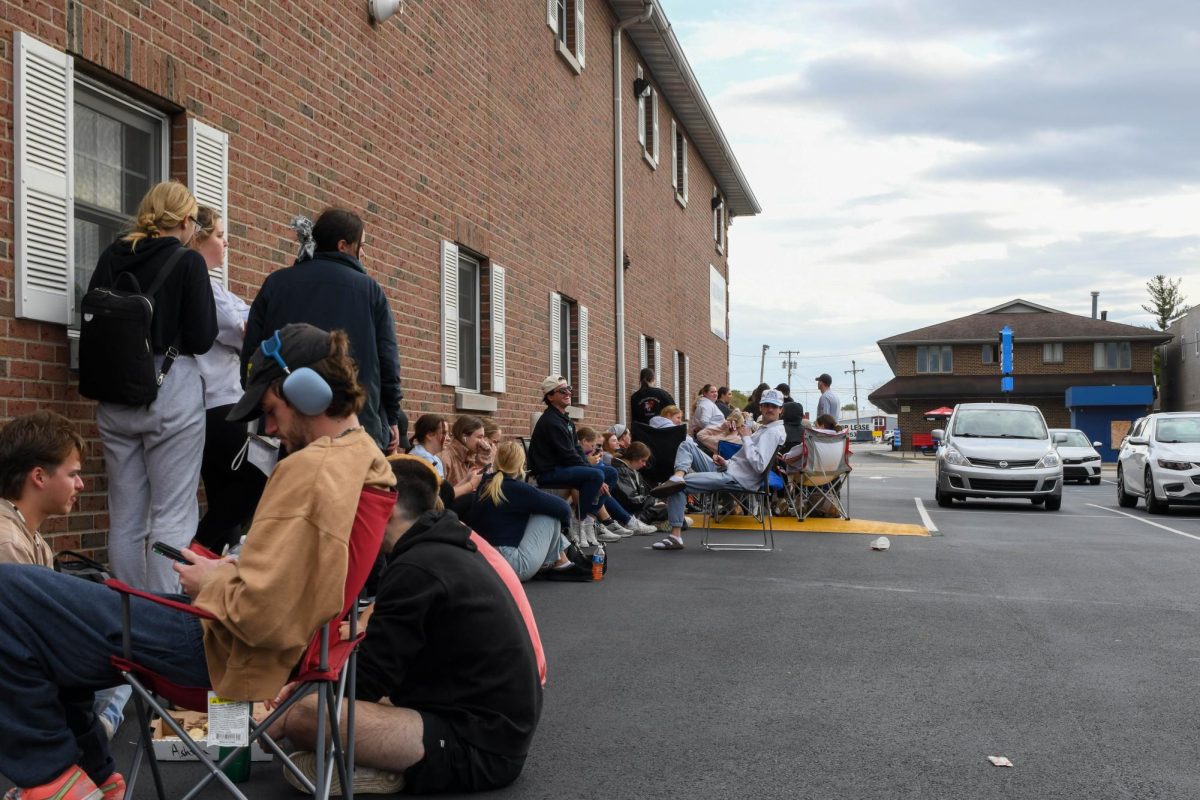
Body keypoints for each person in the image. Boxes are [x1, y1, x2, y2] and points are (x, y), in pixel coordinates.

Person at [0, 323, 395, 800]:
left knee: (9, 595)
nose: (269, 428)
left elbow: (263, 616)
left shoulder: (312, 470)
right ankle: (90, 777)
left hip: (216, 645)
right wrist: (223, 572)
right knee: (46, 630)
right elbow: (298, 588)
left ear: (305, 393)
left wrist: (210, 582)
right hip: (247, 644)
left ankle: (55, 780)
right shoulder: (364, 460)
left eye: (270, 411)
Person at [271, 455, 543, 795]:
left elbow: (368, 680)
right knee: (316, 706)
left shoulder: (417, 567)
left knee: (306, 716)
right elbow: (385, 665)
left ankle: (391, 770)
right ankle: (370, 760)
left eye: (361, 502)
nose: (353, 515)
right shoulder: (438, 549)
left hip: (478, 749)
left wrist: (287, 712)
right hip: (485, 728)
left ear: (392, 503)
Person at [86, 181, 217, 593]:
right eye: (195, 223)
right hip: (169, 388)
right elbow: (201, 337)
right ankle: (159, 616)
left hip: (114, 392)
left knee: (125, 515)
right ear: (183, 220)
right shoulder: (188, 262)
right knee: (172, 513)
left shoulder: (113, 252)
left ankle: (124, 617)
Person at [0, 411, 132, 744]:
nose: (81, 484)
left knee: (120, 672)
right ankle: (85, 739)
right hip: (18, 689)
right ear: (39, 477)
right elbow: (27, 646)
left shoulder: (29, 536)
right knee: (121, 669)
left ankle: (88, 731)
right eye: (73, 474)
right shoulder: (8, 543)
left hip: (27, 678)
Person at [243, 208, 405, 454]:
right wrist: (391, 416)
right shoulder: (370, 290)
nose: (364, 253)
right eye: (361, 245)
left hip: (288, 426)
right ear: (343, 245)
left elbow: (252, 356)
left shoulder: (276, 284)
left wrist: (263, 408)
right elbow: (388, 361)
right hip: (356, 425)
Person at [191, 205, 267, 553]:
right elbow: (248, 332)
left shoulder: (216, 288)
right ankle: (199, 548)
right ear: (199, 238)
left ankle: (216, 565)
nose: (226, 244)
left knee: (224, 491)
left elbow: (251, 317)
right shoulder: (201, 287)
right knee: (257, 476)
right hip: (217, 403)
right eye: (220, 236)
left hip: (216, 402)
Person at [649, 388, 787, 551]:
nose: (770, 409)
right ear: (761, 407)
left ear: (781, 410)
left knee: (677, 486)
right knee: (687, 444)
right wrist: (727, 463)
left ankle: (676, 536)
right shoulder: (766, 429)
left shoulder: (772, 432)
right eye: (767, 405)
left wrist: (747, 437)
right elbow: (749, 463)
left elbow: (759, 465)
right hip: (730, 471)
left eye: (774, 406)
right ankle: (678, 476)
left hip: (738, 480)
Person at [526, 376, 633, 544]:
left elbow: (575, 448)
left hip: (563, 468)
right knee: (596, 476)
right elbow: (567, 456)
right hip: (549, 472)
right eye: (562, 391)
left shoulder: (564, 419)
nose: (568, 393)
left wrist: (593, 469)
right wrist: (593, 472)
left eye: (568, 388)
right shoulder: (551, 421)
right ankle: (578, 521)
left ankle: (589, 520)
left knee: (611, 473)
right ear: (550, 396)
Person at [467, 442, 592, 581]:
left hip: (485, 560)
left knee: (539, 511)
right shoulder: (518, 489)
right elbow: (564, 509)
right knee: (549, 516)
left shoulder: (484, 485)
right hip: (513, 566)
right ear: (522, 465)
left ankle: (561, 562)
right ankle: (560, 563)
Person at [577, 428, 656, 536]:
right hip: (578, 487)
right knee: (603, 483)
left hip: (592, 486)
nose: (597, 449)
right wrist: (589, 464)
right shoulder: (616, 465)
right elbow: (633, 501)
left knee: (605, 480)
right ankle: (599, 522)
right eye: (596, 445)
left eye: (599, 446)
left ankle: (603, 522)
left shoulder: (596, 457)